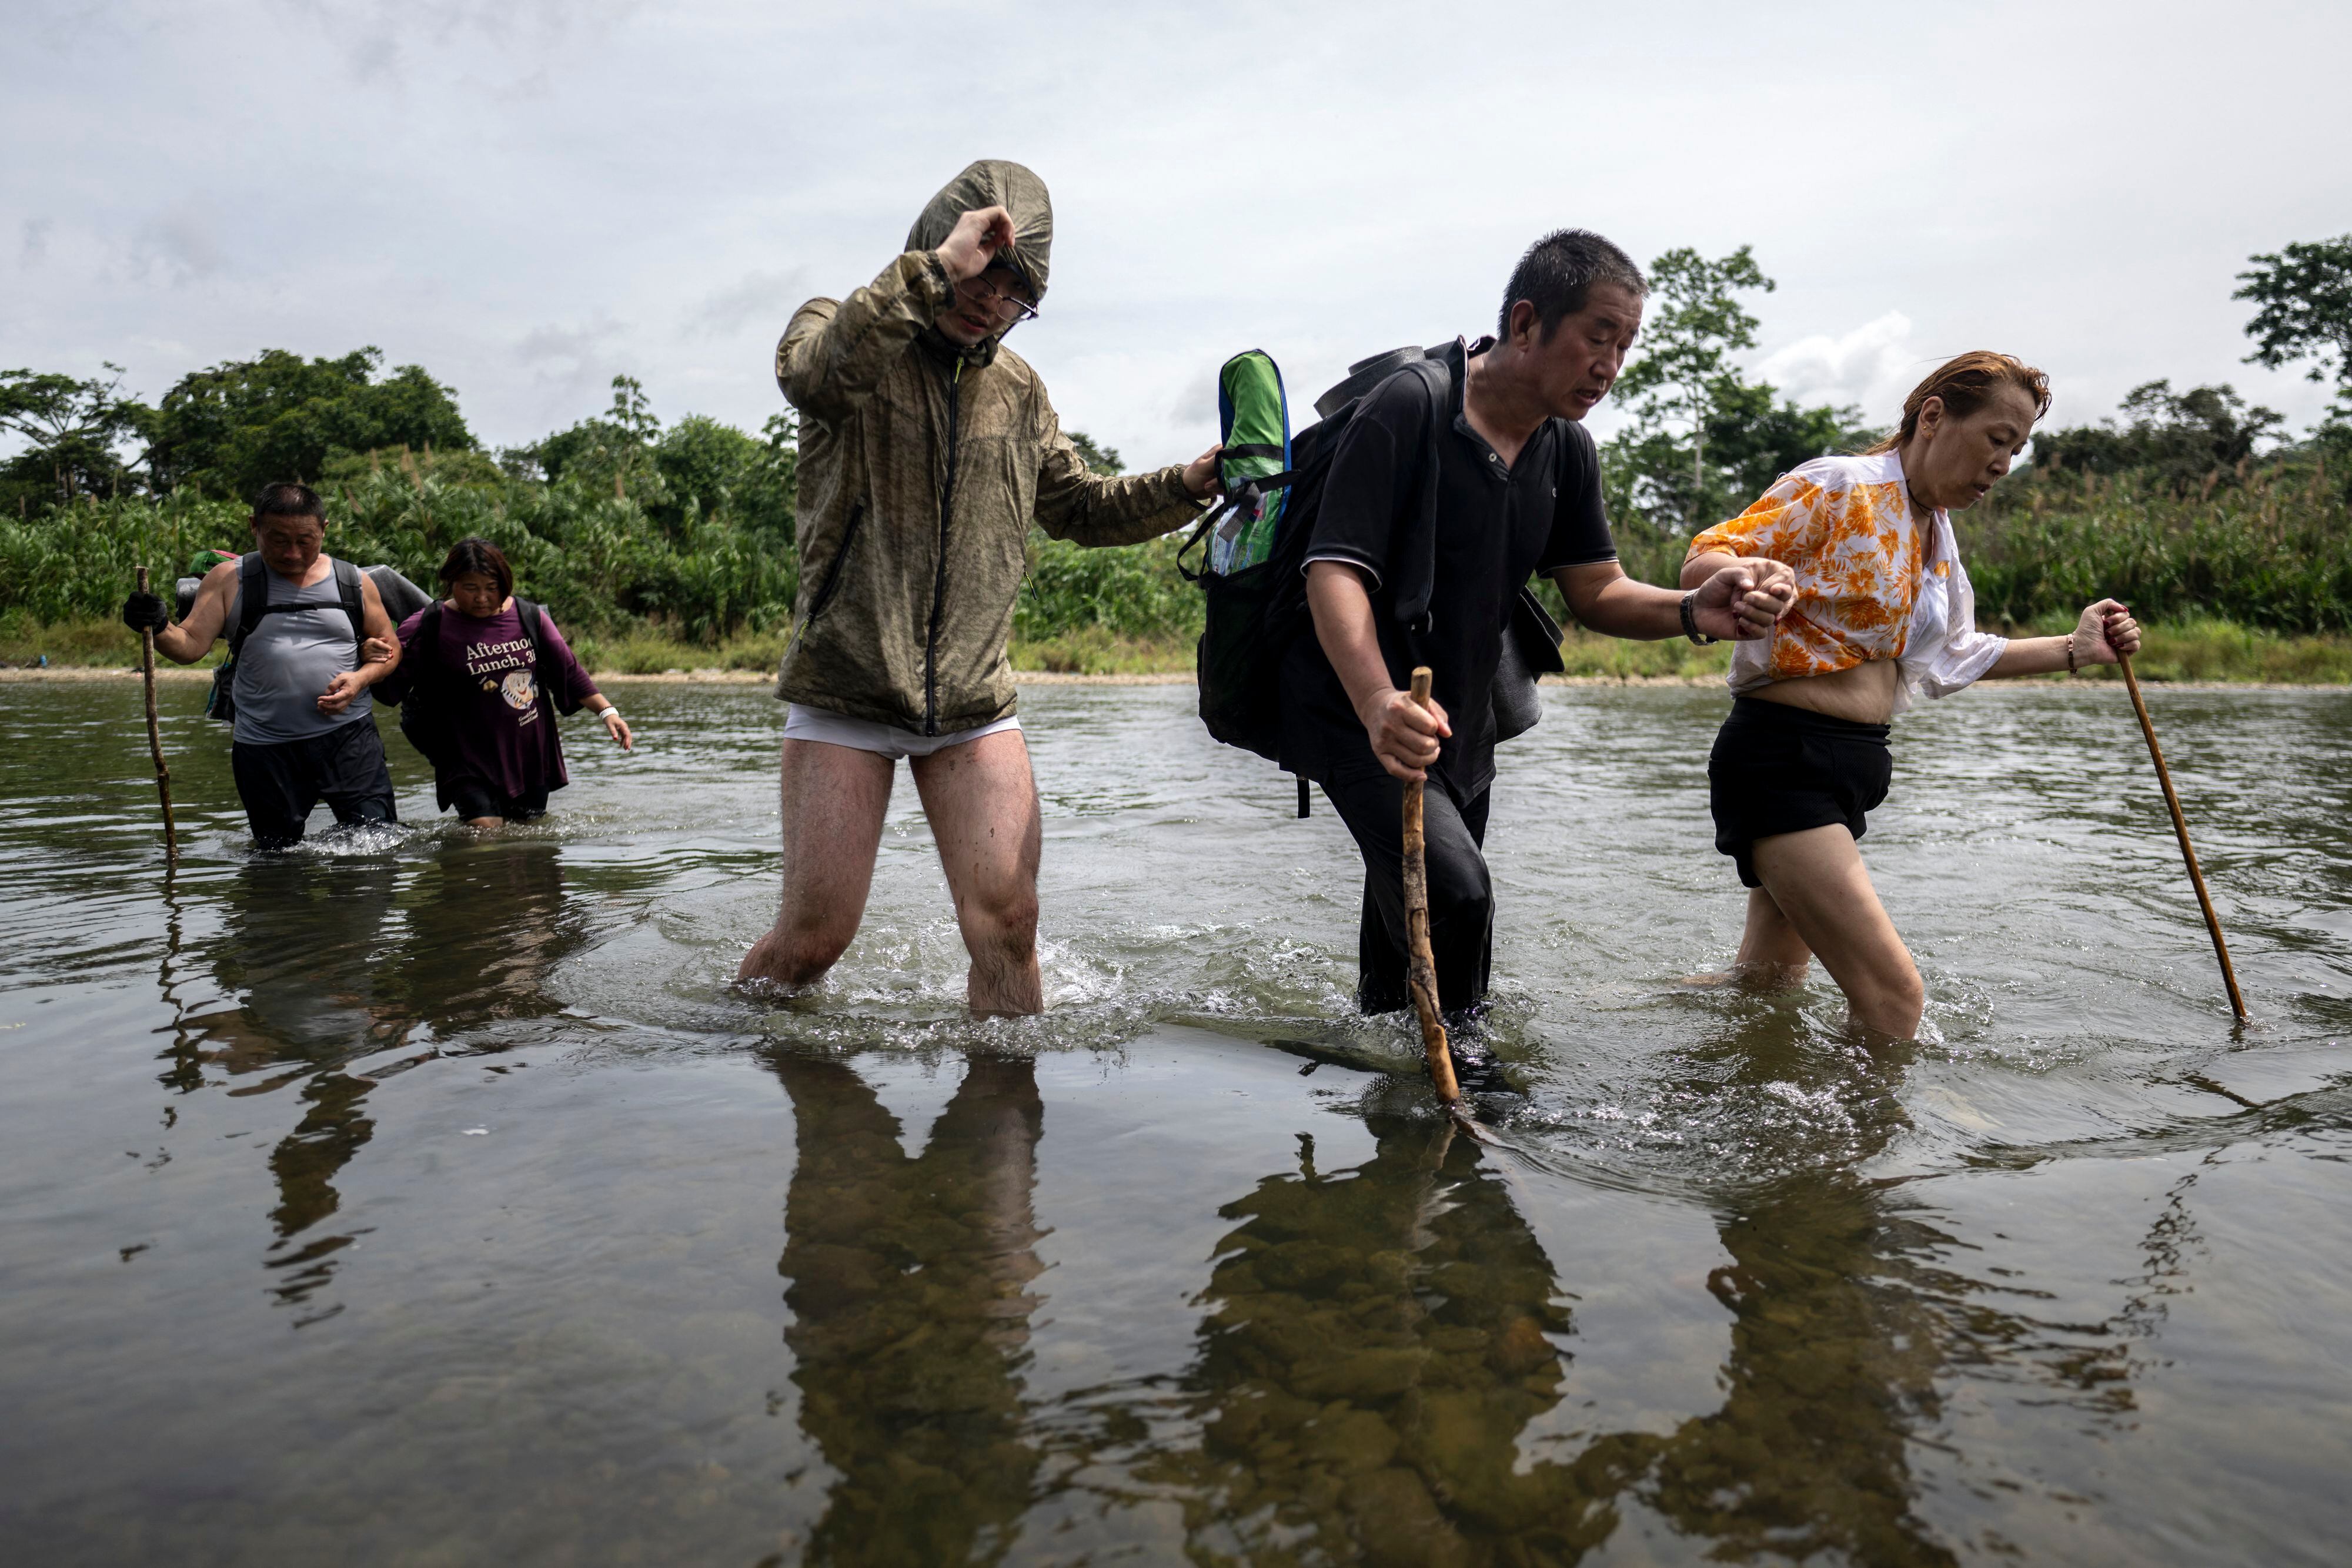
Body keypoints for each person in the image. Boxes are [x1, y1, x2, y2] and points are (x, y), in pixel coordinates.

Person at [736, 159, 1222, 1014]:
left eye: (1013, 290)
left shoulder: (1021, 389)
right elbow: (811, 377)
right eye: (979, 273)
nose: (990, 299)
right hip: (847, 686)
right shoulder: (843, 327)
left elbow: (1077, 504)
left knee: (1008, 924)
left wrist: (1187, 481)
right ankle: (731, 1048)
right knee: (814, 940)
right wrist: (932, 272)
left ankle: (1002, 1122)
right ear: (939, 244)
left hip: (973, 699)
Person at [1281, 229, 1796, 1027]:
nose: (1610, 366)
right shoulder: (1412, 405)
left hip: (1463, 721)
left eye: (1624, 346)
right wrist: (1379, 702)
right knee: (1459, 893)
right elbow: (1335, 569)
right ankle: (1476, 1097)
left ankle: (1391, 1087)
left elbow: (1598, 589)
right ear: (1527, 324)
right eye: (1598, 337)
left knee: (1408, 924)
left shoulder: (1566, 448)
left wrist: (1697, 610)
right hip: (1361, 710)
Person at [1682, 351, 2142, 1038]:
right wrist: (1745, 578)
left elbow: (1954, 656)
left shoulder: (1937, 538)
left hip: (1848, 768)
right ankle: (1861, 1140)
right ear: (1932, 416)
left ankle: (1670, 1055)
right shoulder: (1843, 486)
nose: (2004, 465)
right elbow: (1708, 554)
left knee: (1766, 986)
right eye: (1996, 439)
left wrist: (2076, 650)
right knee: (1895, 999)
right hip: (1784, 762)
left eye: (2016, 450)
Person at [122, 482, 404, 848]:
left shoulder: (353, 581)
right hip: (265, 747)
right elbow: (189, 646)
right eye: (278, 540)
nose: (292, 553)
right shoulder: (229, 580)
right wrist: (157, 624)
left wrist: (360, 679)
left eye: (305, 541)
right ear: (255, 527)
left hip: (349, 738)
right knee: (277, 856)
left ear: (324, 530)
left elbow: (391, 649)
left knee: (376, 844)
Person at [377, 537, 630, 829]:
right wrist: (373, 653)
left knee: (527, 831)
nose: (482, 598)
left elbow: (569, 669)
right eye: (470, 588)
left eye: (491, 588)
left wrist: (607, 712)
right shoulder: (431, 623)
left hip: (527, 748)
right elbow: (387, 670)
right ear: (451, 583)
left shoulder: (529, 617)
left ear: (505, 584)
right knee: (484, 830)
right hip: (463, 751)